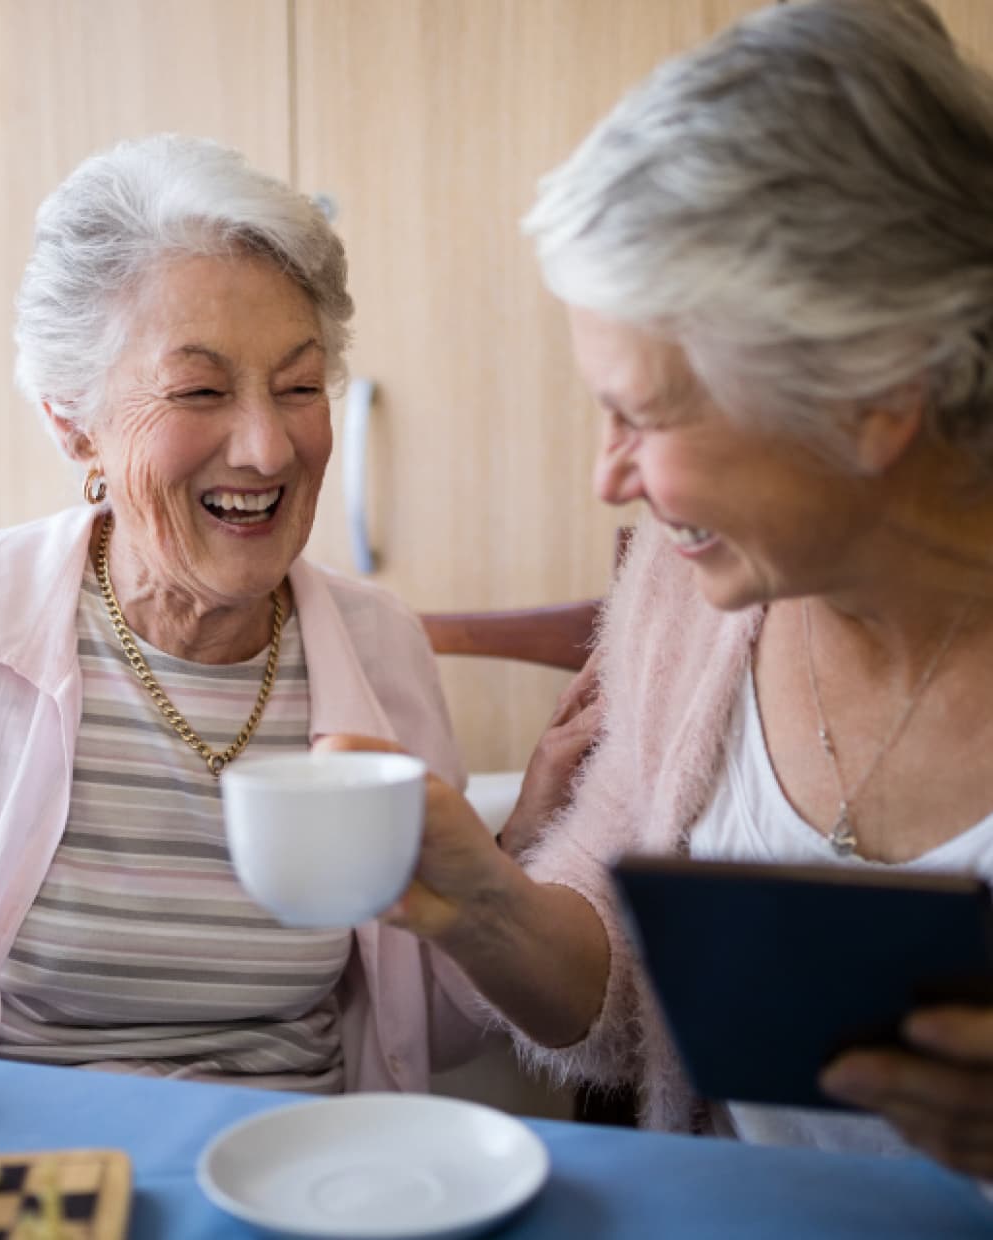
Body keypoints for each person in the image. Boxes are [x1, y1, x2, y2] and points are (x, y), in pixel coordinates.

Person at [323, 0, 993, 1181]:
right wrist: (483, 898)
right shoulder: (695, 588)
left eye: (644, 414)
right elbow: (622, 982)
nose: (606, 477)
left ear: (877, 395)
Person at [0, 133, 485, 1112]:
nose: (268, 448)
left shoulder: (379, 646)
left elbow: (425, 1024)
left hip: (298, 1182)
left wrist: (520, 856)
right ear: (73, 420)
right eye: (200, 391)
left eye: (300, 386)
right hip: (16, 1180)